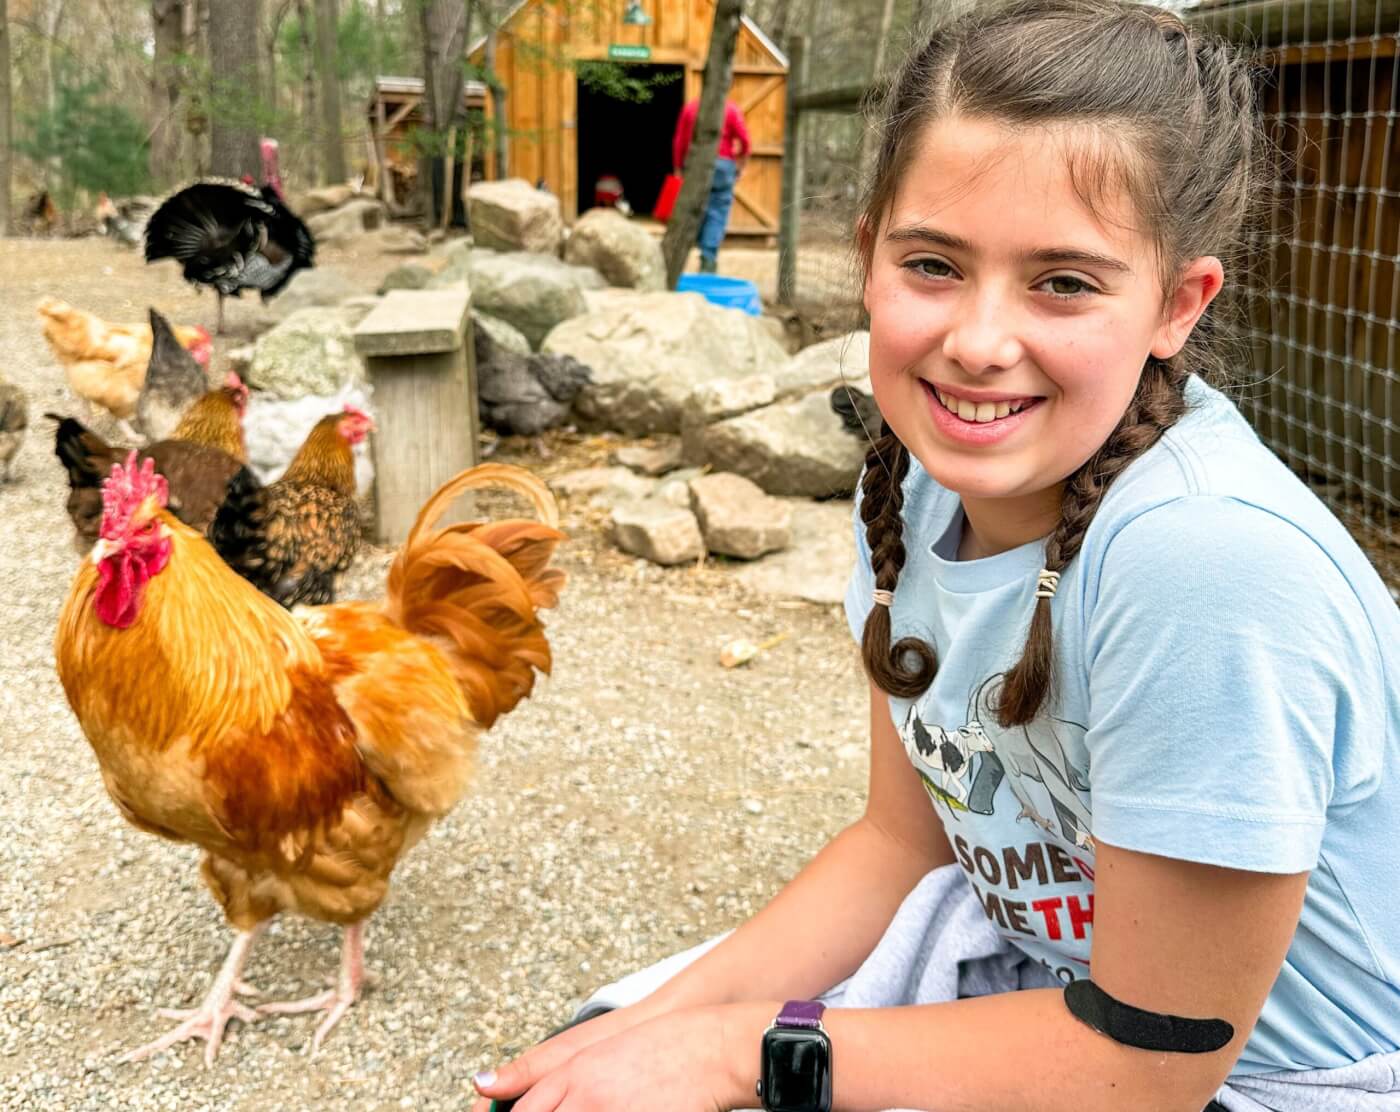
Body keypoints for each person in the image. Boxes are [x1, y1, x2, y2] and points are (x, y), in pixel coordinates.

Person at [472, 1, 1400, 1108]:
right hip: (1047, 974)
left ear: (1175, 305)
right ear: (866, 255)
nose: (975, 341)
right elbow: (898, 843)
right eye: (932, 264)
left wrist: (735, 1050)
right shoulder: (909, 486)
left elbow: (1150, 1060)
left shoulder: (1204, 567)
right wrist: (647, 1027)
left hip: (1268, 1075)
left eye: (1062, 281)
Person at [672, 95, 751, 274]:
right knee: (717, 212)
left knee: (693, 209)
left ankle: (681, 255)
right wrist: (741, 164)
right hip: (723, 166)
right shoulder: (730, 109)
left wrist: (678, 166)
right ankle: (708, 260)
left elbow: (680, 141)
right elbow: (745, 140)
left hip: (695, 164)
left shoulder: (691, 108)